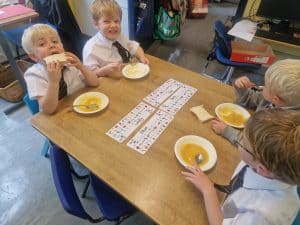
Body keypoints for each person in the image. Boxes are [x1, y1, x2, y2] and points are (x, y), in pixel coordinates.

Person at [182, 109, 300, 225]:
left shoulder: (261, 215)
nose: (238, 140)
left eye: (241, 142)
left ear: (262, 169)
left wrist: (208, 190)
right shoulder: (272, 169)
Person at [211, 59, 300, 144]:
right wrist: (241, 88)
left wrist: (227, 132)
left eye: (265, 85)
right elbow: (248, 100)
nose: (262, 86)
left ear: (275, 99)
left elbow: (256, 147)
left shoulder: (285, 130)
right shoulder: (275, 99)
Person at [22, 24, 99, 114]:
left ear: (62, 46)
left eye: (54, 41)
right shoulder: (33, 75)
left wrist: (81, 67)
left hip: (81, 105)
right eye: (42, 44)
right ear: (34, 56)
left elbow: (95, 83)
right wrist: (53, 82)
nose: (51, 45)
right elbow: (47, 110)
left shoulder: (70, 63)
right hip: (58, 116)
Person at [82, 0, 149, 77]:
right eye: (107, 21)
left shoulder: (120, 37)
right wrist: (103, 71)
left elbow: (135, 47)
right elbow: (89, 76)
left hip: (127, 76)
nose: (113, 25)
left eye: (116, 21)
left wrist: (142, 58)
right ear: (96, 24)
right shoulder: (91, 49)